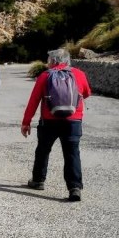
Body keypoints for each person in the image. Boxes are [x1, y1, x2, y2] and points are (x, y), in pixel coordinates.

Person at [21, 49, 92, 201]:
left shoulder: (45, 76)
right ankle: (74, 188)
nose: (47, 62)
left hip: (49, 121)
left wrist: (26, 122)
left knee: (43, 150)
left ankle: (38, 180)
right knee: (72, 153)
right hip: (73, 121)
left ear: (53, 61)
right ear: (66, 61)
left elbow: (34, 101)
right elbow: (86, 93)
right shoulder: (79, 74)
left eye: (48, 59)